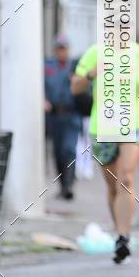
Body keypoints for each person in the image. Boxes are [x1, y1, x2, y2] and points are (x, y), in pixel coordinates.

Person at [71, 41, 139, 263]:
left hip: (135, 124)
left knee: (126, 178)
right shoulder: (94, 52)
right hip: (103, 126)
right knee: (113, 186)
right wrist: (93, 73)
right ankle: (120, 231)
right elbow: (75, 87)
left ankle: (123, 237)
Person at [44, 34, 82, 200]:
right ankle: (62, 185)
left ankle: (69, 185)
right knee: (58, 152)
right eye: (59, 48)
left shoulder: (75, 66)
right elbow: (40, 84)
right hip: (54, 115)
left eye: (64, 48)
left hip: (72, 114)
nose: (61, 52)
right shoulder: (48, 66)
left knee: (69, 149)